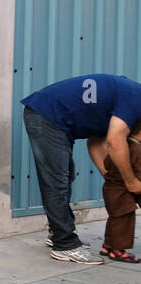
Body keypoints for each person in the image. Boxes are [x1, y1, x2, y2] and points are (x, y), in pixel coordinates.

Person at [21, 73, 141, 263]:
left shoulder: (127, 97)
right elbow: (116, 141)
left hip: (49, 116)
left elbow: (95, 142)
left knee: (64, 177)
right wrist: (130, 181)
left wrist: (109, 177)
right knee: (56, 183)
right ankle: (65, 245)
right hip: (46, 115)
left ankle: (58, 234)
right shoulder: (136, 99)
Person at [87, 123, 141, 262]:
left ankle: (108, 246)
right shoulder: (137, 148)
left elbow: (106, 164)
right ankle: (117, 251)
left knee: (115, 219)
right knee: (124, 221)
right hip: (121, 193)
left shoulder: (121, 146)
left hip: (110, 189)